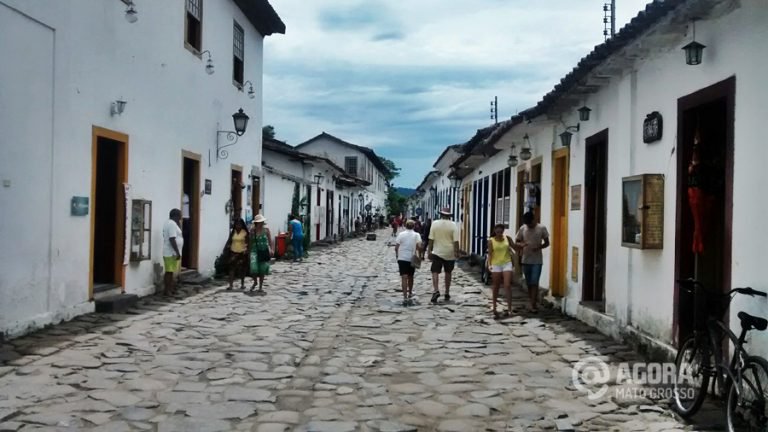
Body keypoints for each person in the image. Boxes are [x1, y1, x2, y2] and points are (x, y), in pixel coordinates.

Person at [515, 212, 550, 313]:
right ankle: (532, 301)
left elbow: (547, 243)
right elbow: (517, 241)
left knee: (535, 282)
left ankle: (533, 304)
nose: (529, 226)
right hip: (526, 259)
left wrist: (539, 247)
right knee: (529, 283)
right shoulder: (523, 228)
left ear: (534, 220)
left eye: (530, 224)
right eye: (527, 224)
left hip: (537, 260)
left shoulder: (541, 228)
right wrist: (522, 244)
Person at [427, 207, 459, 304]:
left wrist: (429, 250)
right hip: (449, 252)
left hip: (437, 252)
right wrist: (456, 251)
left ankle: (436, 290)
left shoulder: (435, 223)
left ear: (441, 214)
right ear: (449, 216)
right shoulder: (453, 225)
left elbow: (431, 239)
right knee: (448, 272)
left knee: (435, 271)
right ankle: (447, 292)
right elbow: (456, 241)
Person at [488, 224, 515, 319]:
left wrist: (522, 246)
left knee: (507, 285)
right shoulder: (491, 241)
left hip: (507, 263)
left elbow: (514, 246)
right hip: (496, 264)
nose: (499, 233)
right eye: (497, 232)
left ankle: (509, 308)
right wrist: (489, 265)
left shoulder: (507, 238)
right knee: (496, 286)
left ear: (503, 231)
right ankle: (494, 306)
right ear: (495, 231)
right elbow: (490, 254)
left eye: (501, 231)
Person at [395, 220, 422, 306]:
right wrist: (419, 255)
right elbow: (419, 246)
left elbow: (396, 247)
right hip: (411, 258)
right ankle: (410, 292)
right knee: (411, 276)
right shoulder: (416, 235)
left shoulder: (401, 234)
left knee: (404, 277)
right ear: (414, 226)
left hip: (402, 258)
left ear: (405, 226)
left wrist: (397, 255)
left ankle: (404, 296)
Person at [162, 208, 183, 296]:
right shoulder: (171, 224)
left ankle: (170, 288)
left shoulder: (172, 223)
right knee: (169, 272)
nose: (181, 218)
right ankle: (167, 291)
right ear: (176, 216)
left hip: (171, 252)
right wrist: (177, 252)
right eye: (180, 216)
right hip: (171, 252)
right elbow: (172, 239)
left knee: (171, 272)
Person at [249, 214, 273, 292]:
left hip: (263, 250)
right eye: (259, 222)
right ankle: (255, 281)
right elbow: (250, 241)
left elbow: (270, 240)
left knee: (262, 269)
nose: (261, 223)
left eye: (262, 222)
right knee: (253, 268)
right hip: (254, 250)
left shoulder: (266, 230)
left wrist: (271, 249)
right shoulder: (252, 230)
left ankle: (260, 286)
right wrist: (248, 250)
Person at [225, 218, 249, 290]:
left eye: (239, 224)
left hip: (242, 252)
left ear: (242, 225)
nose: (238, 226)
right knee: (231, 268)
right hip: (233, 252)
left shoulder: (245, 232)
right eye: (237, 224)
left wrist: (247, 250)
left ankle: (242, 284)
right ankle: (231, 285)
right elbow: (229, 240)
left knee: (242, 269)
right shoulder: (233, 232)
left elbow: (248, 242)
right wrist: (227, 246)